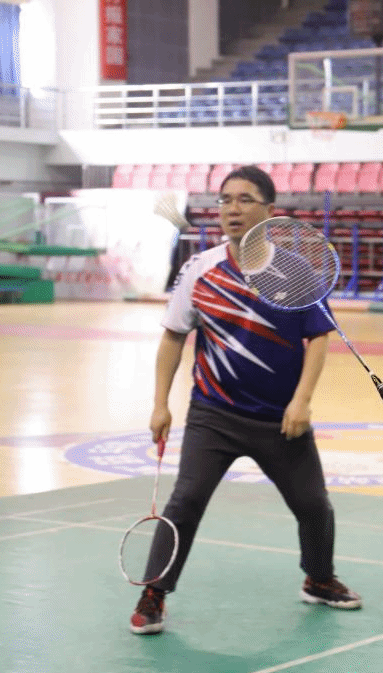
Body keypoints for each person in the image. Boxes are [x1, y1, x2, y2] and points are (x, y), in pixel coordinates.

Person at [129, 165, 361, 635]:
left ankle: (318, 579)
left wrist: (302, 401)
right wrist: (160, 403)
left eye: (245, 199)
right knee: (185, 501)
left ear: (270, 211)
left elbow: (318, 337)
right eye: (225, 200)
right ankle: (154, 592)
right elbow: (173, 336)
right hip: (214, 415)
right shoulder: (200, 269)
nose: (232, 209)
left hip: (280, 419)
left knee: (313, 504)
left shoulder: (295, 270)